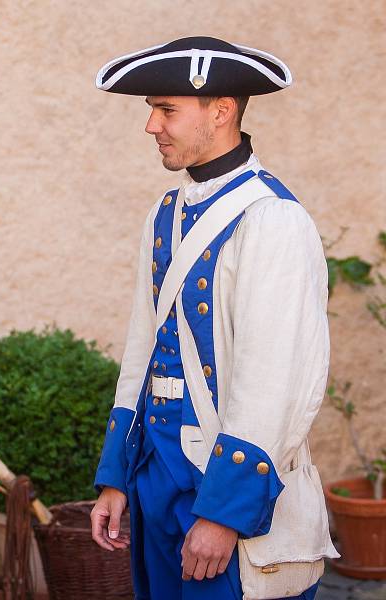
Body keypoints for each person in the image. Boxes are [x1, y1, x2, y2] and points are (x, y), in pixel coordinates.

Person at [89, 37, 338, 600]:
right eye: (152, 109)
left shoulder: (273, 218)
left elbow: (275, 382)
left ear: (221, 110)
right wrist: (116, 477)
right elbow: (141, 349)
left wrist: (224, 514)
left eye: (166, 109)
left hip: (221, 485)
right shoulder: (164, 213)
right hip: (157, 477)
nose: (151, 125)